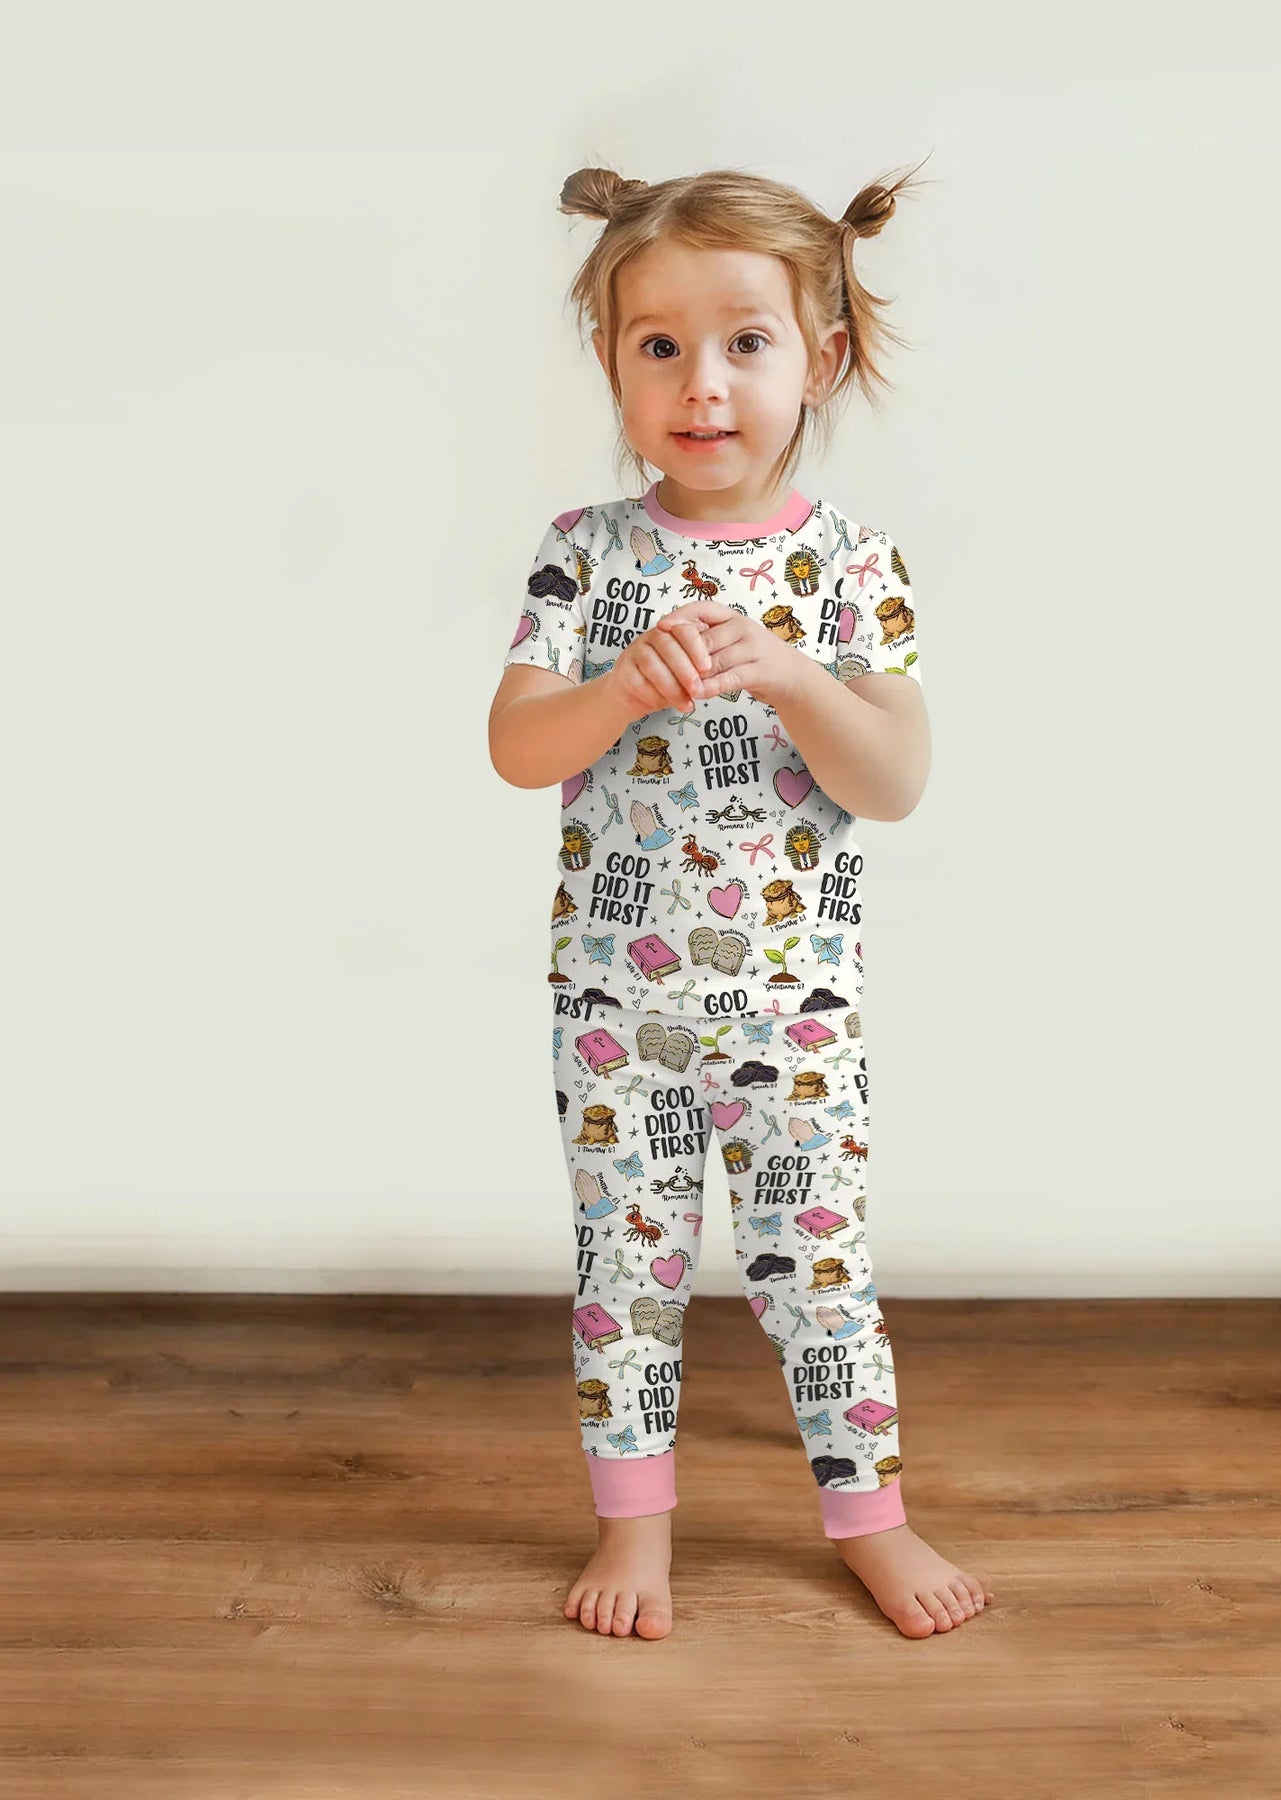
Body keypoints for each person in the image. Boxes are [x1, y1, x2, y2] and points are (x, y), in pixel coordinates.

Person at [489, 161, 992, 1641]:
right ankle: (632, 1529)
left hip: (792, 1015)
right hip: (615, 1010)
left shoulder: (850, 565)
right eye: (660, 345)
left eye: (745, 343)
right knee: (625, 1271)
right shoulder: (585, 554)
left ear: (818, 359)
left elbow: (894, 779)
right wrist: (613, 695)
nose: (701, 383)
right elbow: (517, 747)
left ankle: (871, 1520)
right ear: (612, 362)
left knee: (820, 1273)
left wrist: (790, 674)